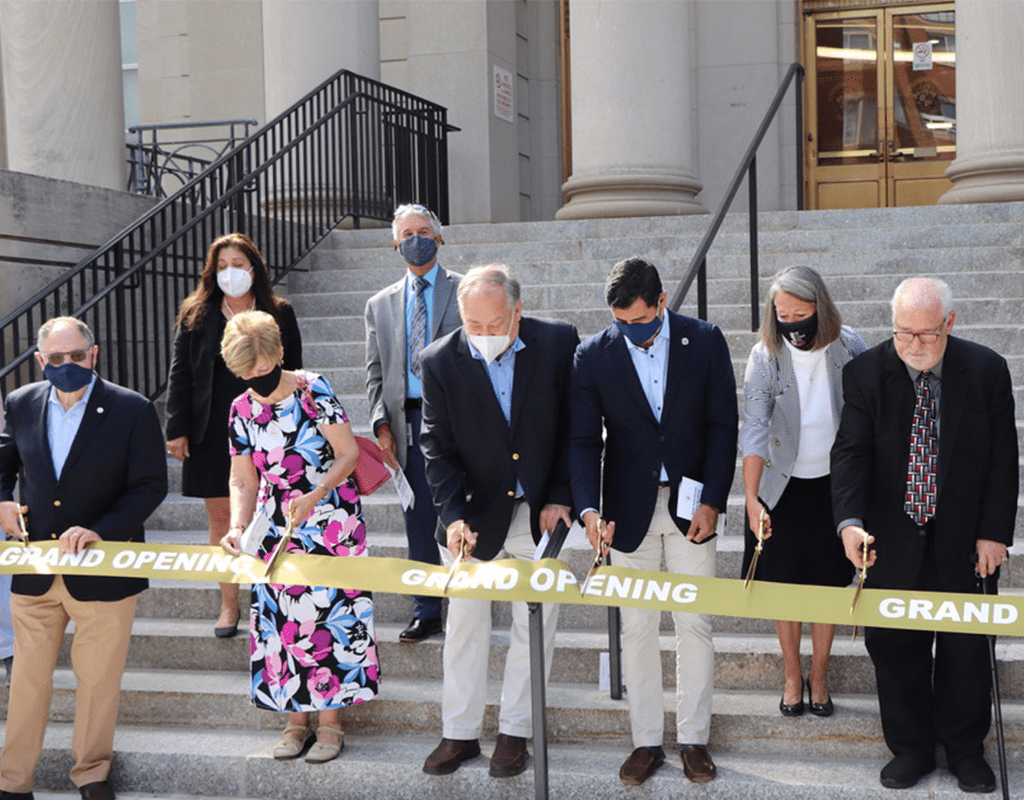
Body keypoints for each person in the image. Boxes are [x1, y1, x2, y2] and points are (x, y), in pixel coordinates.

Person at [831, 277, 1017, 793]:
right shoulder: (865, 374)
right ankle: (910, 748)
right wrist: (850, 523)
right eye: (903, 333)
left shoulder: (985, 370)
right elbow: (849, 454)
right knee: (894, 649)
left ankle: (964, 751)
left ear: (950, 325)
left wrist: (994, 533)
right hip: (891, 539)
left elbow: (1004, 461)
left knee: (966, 652)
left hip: (966, 541)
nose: (914, 345)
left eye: (927, 335)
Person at [570, 257, 737, 786]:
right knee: (637, 627)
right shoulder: (593, 354)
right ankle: (645, 742)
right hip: (626, 513)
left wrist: (713, 499)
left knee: (695, 624)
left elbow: (722, 425)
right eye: (620, 323)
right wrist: (589, 511)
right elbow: (580, 441)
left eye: (640, 322)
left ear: (662, 303)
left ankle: (693, 740)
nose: (630, 332)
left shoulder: (705, 341)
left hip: (693, 511)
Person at [418, 265, 578, 778]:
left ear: (517, 312)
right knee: (464, 621)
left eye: (494, 325)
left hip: (540, 513)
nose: (483, 336)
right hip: (475, 511)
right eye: (473, 326)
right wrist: (453, 517)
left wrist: (558, 497)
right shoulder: (439, 360)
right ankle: (459, 733)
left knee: (536, 619)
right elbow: (436, 449)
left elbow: (577, 429)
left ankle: (515, 731)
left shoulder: (557, 343)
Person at [0, 317, 168, 800]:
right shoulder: (21, 402)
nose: (67, 365)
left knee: (98, 683)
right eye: (57, 359)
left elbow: (150, 485)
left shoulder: (130, 409)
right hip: (35, 572)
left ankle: (91, 774)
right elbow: (3, 463)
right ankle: (14, 783)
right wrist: (3, 502)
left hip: (104, 572)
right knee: (27, 684)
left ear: (93, 355)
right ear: (40, 362)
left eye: (77, 356)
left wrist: (101, 530)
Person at [219, 311, 377, 766]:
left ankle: (331, 722)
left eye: (263, 370)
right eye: (247, 374)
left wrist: (316, 494)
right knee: (281, 621)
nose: (257, 380)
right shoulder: (241, 409)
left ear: (280, 353)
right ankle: (294, 719)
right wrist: (235, 526)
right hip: (275, 523)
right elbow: (242, 479)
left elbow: (347, 453)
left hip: (329, 516)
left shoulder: (313, 388)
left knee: (329, 617)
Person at [739, 266, 863, 717]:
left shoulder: (849, 345)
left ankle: (820, 674)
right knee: (784, 587)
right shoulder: (765, 355)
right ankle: (793, 673)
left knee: (828, 585)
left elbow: (867, 414)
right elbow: (753, 427)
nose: (792, 323)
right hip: (782, 488)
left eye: (801, 313)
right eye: (783, 314)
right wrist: (752, 500)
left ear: (820, 308)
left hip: (836, 485)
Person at [166, 232, 302, 638]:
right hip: (213, 432)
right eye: (222, 265)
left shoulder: (280, 311)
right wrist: (177, 428)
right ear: (212, 272)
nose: (231, 272)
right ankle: (228, 605)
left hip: (269, 427)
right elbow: (181, 373)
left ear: (254, 268)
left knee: (271, 515)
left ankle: (272, 599)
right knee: (223, 520)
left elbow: (294, 367)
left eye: (238, 264)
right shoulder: (197, 314)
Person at [365, 203, 461, 643]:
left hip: (457, 421)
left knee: (460, 512)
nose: (415, 238)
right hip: (408, 422)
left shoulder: (466, 290)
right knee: (419, 518)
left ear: (439, 237)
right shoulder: (379, 304)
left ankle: (465, 601)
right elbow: (375, 371)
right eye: (407, 233)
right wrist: (380, 424)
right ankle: (426, 609)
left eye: (424, 231)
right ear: (395, 242)